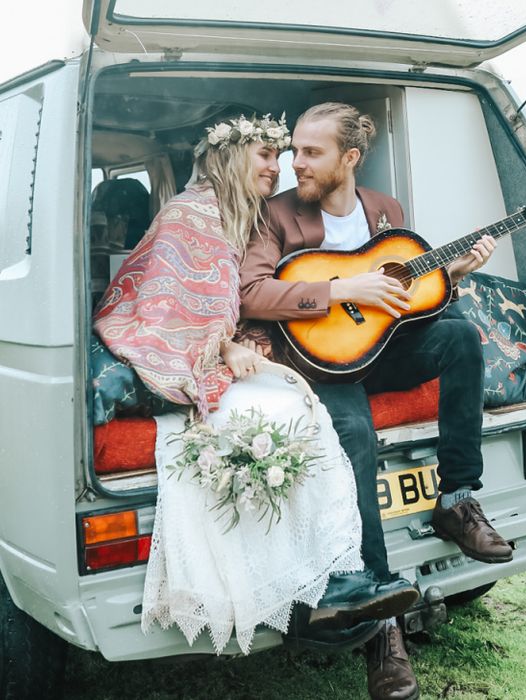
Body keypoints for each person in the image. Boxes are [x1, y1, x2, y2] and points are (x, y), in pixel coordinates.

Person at [92, 113, 418, 656]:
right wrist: (225, 346)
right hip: (180, 354)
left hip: (238, 351)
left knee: (302, 412)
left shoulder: (243, 212)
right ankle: (318, 580)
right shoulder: (189, 213)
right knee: (288, 418)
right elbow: (168, 303)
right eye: (266, 156)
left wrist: (235, 343)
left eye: (283, 154)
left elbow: (226, 298)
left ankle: (331, 575)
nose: (280, 167)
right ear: (230, 157)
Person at [239, 102, 514, 700]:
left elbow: (406, 305)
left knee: (461, 336)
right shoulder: (276, 215)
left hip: (379, 352)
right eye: (293, 152)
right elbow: (253, 291)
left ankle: (458, 498)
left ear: (350, 158)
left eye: (311, 153)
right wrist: (343, 288)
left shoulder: (386, 212)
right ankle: (381, 620)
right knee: (355, 438)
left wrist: (455, 275)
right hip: (321, 366)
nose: (295, 164)